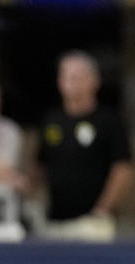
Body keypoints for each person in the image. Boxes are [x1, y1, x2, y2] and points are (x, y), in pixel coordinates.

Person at [37, 50, 133, 241]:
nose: (71, 82)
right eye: (66, 76)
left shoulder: (109, 121)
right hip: (54, 221)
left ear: (94, 81)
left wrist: (102, 210)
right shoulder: (51, 120)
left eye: (78, 76)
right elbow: (40, 166)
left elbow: (123, 168)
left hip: (94, 223)